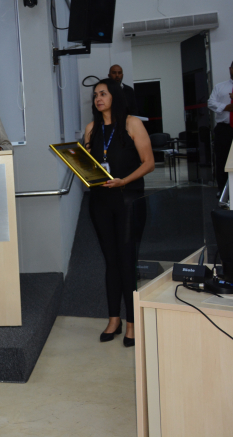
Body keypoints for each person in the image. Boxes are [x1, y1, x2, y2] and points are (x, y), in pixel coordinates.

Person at [84, 79, 154, 347]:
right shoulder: (92, 128)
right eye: (95, 95)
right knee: (111, 262)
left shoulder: (132, 124)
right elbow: (90, 165)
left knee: (127, 261)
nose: (98, 98)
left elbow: (149, 163)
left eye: (103, 93)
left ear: (114, 95)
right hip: (100, 201)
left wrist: (124, 180)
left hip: (128, 198)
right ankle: (114, 319)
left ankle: (132, 323)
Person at [207, 58, 233, 193]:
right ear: (230, 69)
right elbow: (211, 103)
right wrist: (225, 107)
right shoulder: (220, 86)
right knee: (222, 160)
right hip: (223, 129)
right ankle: (222, 190)